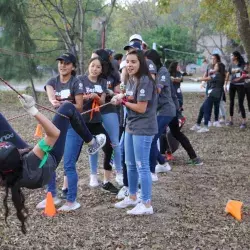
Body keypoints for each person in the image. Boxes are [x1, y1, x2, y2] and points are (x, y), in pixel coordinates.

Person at [0, 95, 105, 233]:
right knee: (67, 107)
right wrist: (32, 110)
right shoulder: (31, 159)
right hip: (49, 161)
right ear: (19, 154)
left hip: (20, 172)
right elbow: (53, 134)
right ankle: (92, 142)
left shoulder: (6, 170)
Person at [112, 49, 157, 215]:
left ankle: (146, 204)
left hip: (143, 128)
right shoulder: (131, 79)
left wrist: (123, 101)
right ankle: (132, 197)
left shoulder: (145, 80)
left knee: (142, 165)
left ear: (141, 63)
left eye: (133, 62)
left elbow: (141, 107)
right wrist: (119, 96)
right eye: (128, 62)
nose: (130, 65)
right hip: (131, 126)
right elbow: (130, 97)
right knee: (129, 164)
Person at [39, 52, 85, 211]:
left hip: (74, 126)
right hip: (58, 125)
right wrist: (53, 100)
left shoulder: (76, 82)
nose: (62, 66)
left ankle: (72, 200)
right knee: (48, 158)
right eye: (60, 62)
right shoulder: (52, 81)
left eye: (66, 63)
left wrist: (66, 104)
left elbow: (79, 107)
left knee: (68, 164)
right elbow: (51, 94)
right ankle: (51, 195)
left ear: (73, 66)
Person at [78, 56, 119, 194]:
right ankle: (67, 188)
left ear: (102, 70)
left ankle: (106, 181)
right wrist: (85, 97)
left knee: (109, 148)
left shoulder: (102, 82)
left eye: (98, 67)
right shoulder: (80, 80)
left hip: (96, 122)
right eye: (93, 66)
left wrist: (96, 97)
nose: (95, 69)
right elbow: (75, 98)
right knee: (74, 153)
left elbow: (102, 103)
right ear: (88, 66)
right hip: (81, 122)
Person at [91, 49, 123, 187]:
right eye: (91, 60)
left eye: (95, 59)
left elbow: (120, 92)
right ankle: (93, 175)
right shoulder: (90, 75)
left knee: (114, 142)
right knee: (93, 143)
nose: (92, 62)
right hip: (93, 112)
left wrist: (113, 93)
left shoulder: (113, 74)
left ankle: (119, 173)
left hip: (109, 109)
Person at [144, 49, 174, 182]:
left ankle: (152, 171)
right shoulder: (153, 72)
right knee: (152, 138)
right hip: (159, 110)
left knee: (151, 139)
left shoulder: (162, 72)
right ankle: (163, 163)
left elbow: (158, 89)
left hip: (166, 110)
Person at [190, 62, 226, 133]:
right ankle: (198, 124)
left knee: (206, 109)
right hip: (216, 94)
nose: (214, 67)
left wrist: (197, 79)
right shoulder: (220, 75)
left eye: (216, 66)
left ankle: (205, 126)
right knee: (202, 108)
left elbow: (208, 78)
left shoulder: (217, 75)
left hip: (213, 94)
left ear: (219, 68)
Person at [224, 51, 246, 128]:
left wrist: (238, 76)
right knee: (231, 103)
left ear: (236, 56)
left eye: (232, 55)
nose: (231, 56)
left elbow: (243, 74)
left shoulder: (242, 64)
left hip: (241, 85)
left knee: (240, 103)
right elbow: (227, 74)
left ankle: (243, 122)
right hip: (232, 85)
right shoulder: (231, 65)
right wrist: (225, 84)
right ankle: (231, 120)